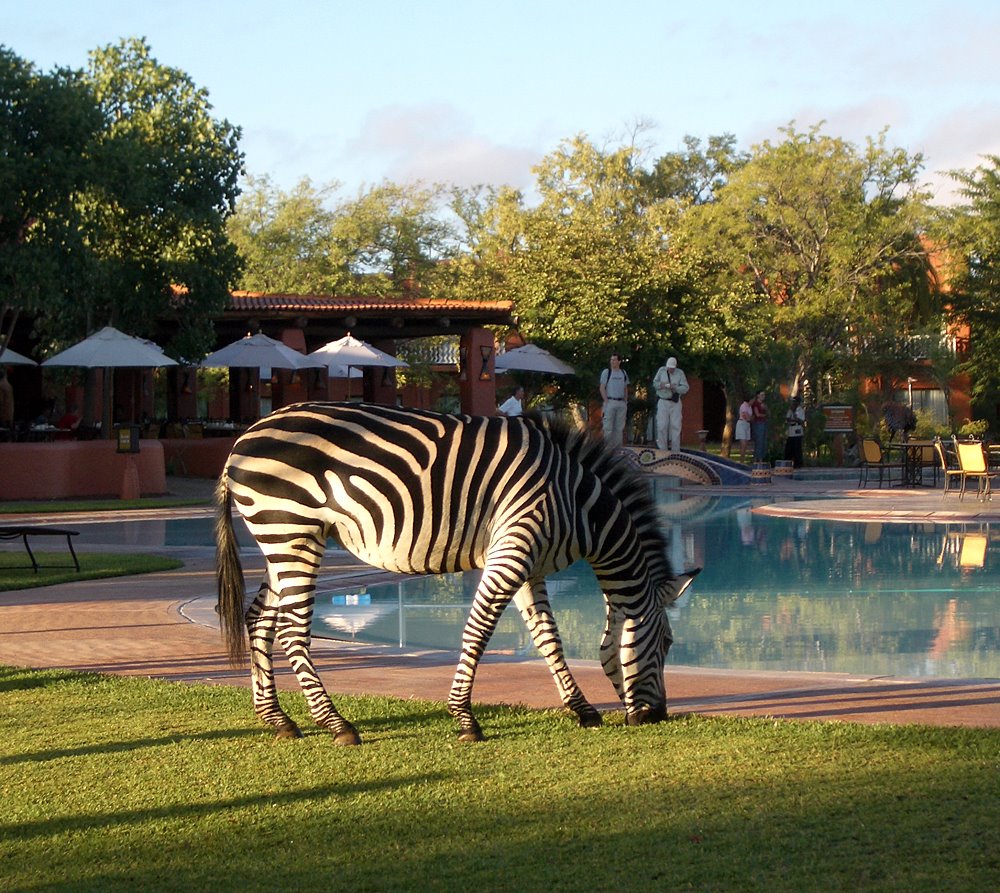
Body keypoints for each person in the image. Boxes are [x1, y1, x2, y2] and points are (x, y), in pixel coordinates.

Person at [652, 356, 689, 453]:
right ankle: (662, 450)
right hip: (663, 400)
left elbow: (685, 388)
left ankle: (675, 451)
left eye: (672, 368)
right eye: (669, 368)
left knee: (676, 426)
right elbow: (655, 383)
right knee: (662, 425)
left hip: (675, 402)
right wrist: (662, 385)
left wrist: (675, 388)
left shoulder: (680, 373)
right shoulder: (661, 371)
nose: (670, 370)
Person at [599, 353, 629, 444]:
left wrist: (625, 401)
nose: (612, 362)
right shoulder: (607, 372)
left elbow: (625, 388)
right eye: (611, 360)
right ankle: (607, 450)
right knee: (608, 428)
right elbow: (602, 387)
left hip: (621, 402)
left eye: (614, 360)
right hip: (610, 401)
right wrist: (606, 401)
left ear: (619, 361)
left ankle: (618, 449)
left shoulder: (623, 373)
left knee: (619, 428)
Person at [784, 395, 806, 468]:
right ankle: (788, 462)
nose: (793, 403)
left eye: (794, 401)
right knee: (789, 447)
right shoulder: (790, 410)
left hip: (797, 428)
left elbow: (801, 420)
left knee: (797, 447)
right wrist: (792, 417)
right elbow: (787, 419)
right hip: (791, 429)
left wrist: (794, 417)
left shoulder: (800, 410)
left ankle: (798, 463)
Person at [750, 390, 769, 461]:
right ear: (758, 395)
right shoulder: (756, 404)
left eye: (764, 395)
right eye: (761, 395)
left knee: (764, 441)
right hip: (758, 424)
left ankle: (761, 459)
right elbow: (757, 414)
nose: (763, 396)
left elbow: (768, 413)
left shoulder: (764, 404)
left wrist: (766, 409)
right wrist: (765, 415)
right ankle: (756, 460)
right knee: (759, 441)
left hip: (764, 423)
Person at [735, 394, 753, 463]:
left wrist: (750, 418)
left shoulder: (750, 407)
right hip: (742, 424)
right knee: (743, 444)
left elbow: (750, 417)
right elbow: (747, 417)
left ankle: (743, 460)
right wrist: (750, 418)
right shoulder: (744, 406)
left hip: (747, 425)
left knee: (746, 445)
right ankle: (741, 461)